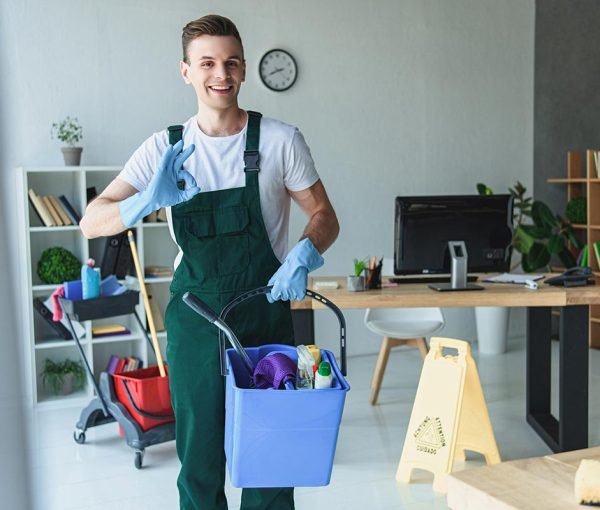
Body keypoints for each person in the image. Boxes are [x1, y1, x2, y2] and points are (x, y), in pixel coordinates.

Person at [80, 13, 339, 510]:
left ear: (243, 70)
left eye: (231, 62)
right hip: (196, 320)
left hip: (264, 315)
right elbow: (92, 221)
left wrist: (306, 250)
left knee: (272, 456)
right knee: (197, 458)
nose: (221, 73)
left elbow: (325, 215)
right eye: (208, 63)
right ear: (186, 72)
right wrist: (143, 200)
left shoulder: (281, 140)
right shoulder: (165, 147)